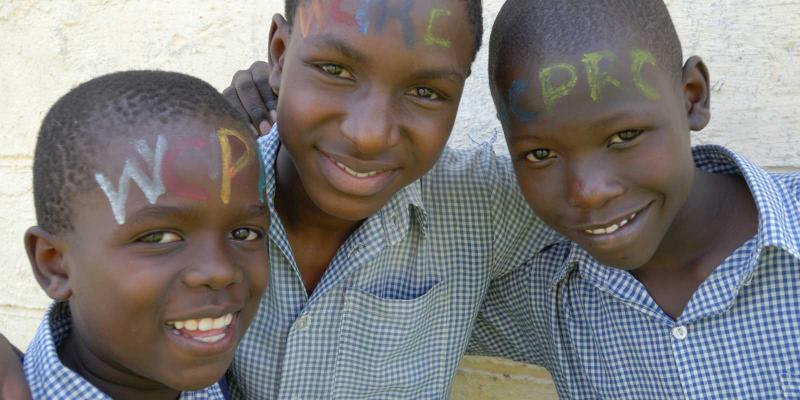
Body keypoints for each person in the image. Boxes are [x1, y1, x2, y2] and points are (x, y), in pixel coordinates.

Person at [0, 1, 553, 399]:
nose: (369, 133)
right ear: (281, 55)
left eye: (426, 92)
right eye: (335, 70)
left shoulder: (483, 204)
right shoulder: (199, 180)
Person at [466, 0, 800, 398]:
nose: (588, 192)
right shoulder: (546, 293)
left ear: (692, 97)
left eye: (624, 137)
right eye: (541, 155)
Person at [19, 70, 270, 399]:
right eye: (159, 239)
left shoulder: (225, 383)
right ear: (55, 264)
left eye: (245, 233)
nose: (220, 270)